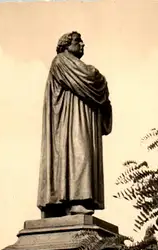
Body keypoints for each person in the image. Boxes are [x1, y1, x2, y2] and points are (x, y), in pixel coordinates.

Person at [37, 31, 112, 217]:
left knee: (83, 154)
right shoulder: (61, 61)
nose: (83, 44)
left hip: (83, 118)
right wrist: (98, 77)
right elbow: (90, 77)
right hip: (70, 123)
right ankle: (75, 199)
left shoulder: (69, 64)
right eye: (78, 41)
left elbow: (95, 83)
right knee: (79, 154)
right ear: (65, 44)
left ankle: (77, 200)